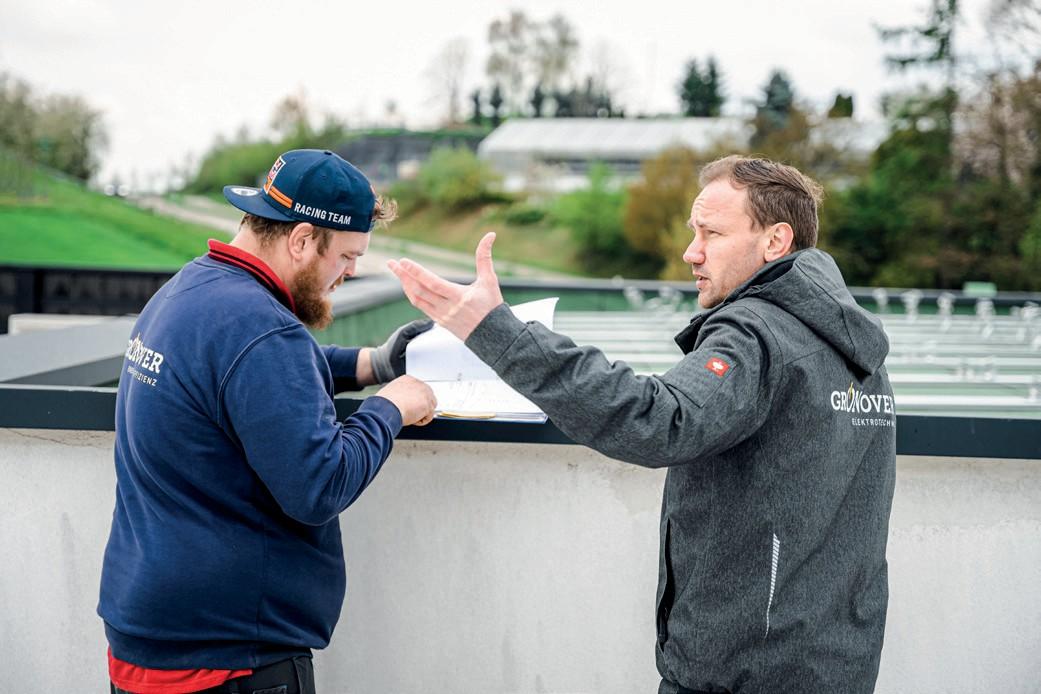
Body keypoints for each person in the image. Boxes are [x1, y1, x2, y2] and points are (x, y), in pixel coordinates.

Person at [389, 155, 896, 694]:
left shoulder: (757, 334)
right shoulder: (853, 346)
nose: (690, 252)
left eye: (712, 233)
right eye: (692, 232)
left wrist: (499, 333)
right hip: (837, 664)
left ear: (775, 242)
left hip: (743, 673)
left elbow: (660, 418)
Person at [98, 149, 437, 694]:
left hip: (150, 633)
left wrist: (371, 364)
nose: (349, 273)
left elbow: (255, 378)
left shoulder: (191, 291)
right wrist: (390, 407)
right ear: (302, 239)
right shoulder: (261, 329)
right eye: (347, 256)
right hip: (229, 658)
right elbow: (318, 485)